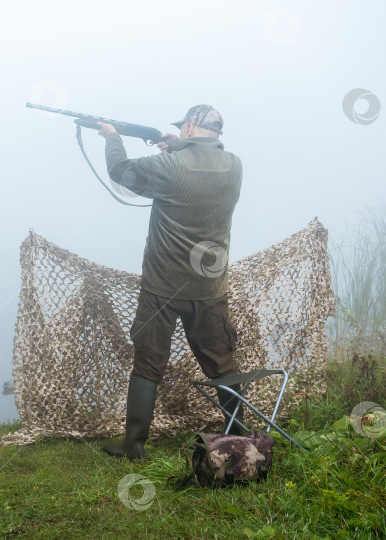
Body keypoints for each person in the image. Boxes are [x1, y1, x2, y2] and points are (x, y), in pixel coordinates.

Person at [97, 104, 245, 460]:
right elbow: (198, 164)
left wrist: (112, 137)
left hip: (162, 287)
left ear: (190, 128)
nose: (179, 133)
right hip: (210, 289)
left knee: (148, 362)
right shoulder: (235, 166)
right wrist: (177, 145)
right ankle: (239, 437)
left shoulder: (168, 166)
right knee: (223, 365)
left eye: (182, 130)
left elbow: (121, 172)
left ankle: (133, 446)